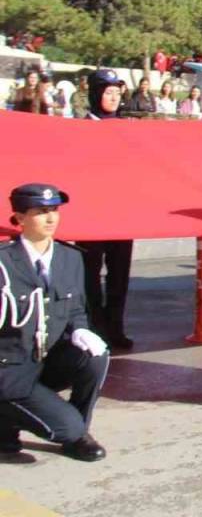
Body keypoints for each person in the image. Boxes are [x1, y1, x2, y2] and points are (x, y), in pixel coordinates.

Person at [0, 183, 110, 463]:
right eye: (40, 212)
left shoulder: (70, 257)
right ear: (20, 217)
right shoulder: (4, 261)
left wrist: (81, 330)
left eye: (54, 210)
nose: (51, 219)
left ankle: (77, 435)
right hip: (9, 368)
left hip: (45, 360)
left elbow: (75, 309)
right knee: (64, 425)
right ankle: (7, 420)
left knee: (95, 358)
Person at [78, 70, 137, 349]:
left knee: (120, 274)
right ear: (95, 93)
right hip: (90, 215)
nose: (113, 98)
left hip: (122, 213)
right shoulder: (79, 128)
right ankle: (94, 327)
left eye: (117, 92)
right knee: (90, 275)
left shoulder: (128, 128)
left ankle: (116, 327)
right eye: (107, 92)